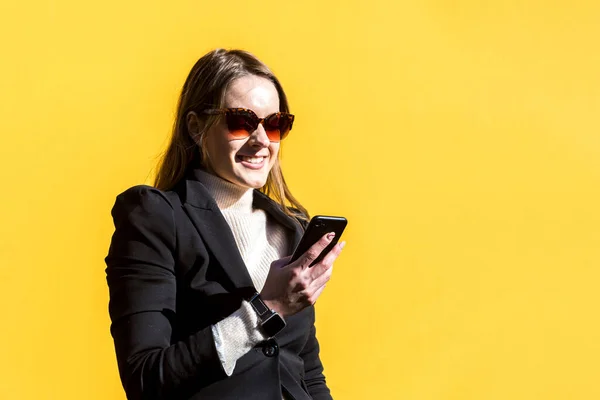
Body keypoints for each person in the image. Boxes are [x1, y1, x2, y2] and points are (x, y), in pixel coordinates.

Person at [105, 48, 345, 400]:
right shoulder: (155, 217)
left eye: (276, 124)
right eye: (241, 121)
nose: (262, 140)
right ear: (195, 127)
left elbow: (305, 370)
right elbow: (145, 379)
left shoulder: (292, 228)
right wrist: (269, 308)